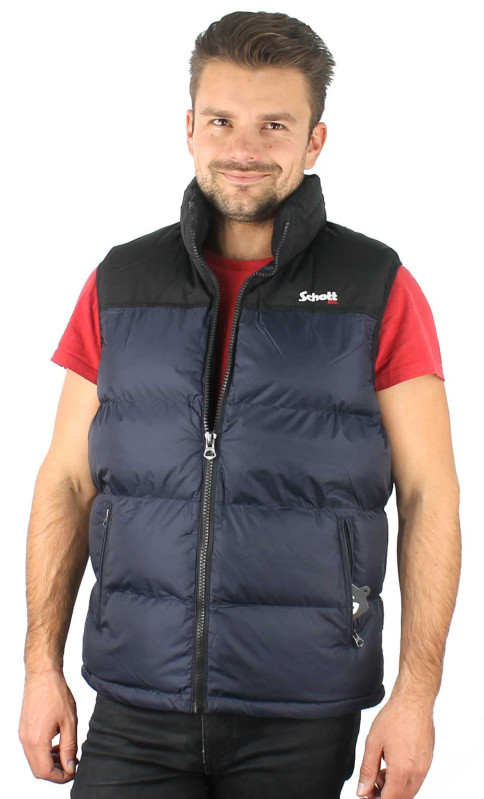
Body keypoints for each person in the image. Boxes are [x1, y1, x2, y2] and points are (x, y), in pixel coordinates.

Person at [18, 10, 461, 799]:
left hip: (300, 709)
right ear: (190, 128)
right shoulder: (120, 283)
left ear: (314, 141)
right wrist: (39, 666)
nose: (244, 148)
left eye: (274, 125)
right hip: (133, 700)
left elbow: (431, 494)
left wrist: (417, 694)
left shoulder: (376, 287)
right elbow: (67, 480)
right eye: (222, 121)